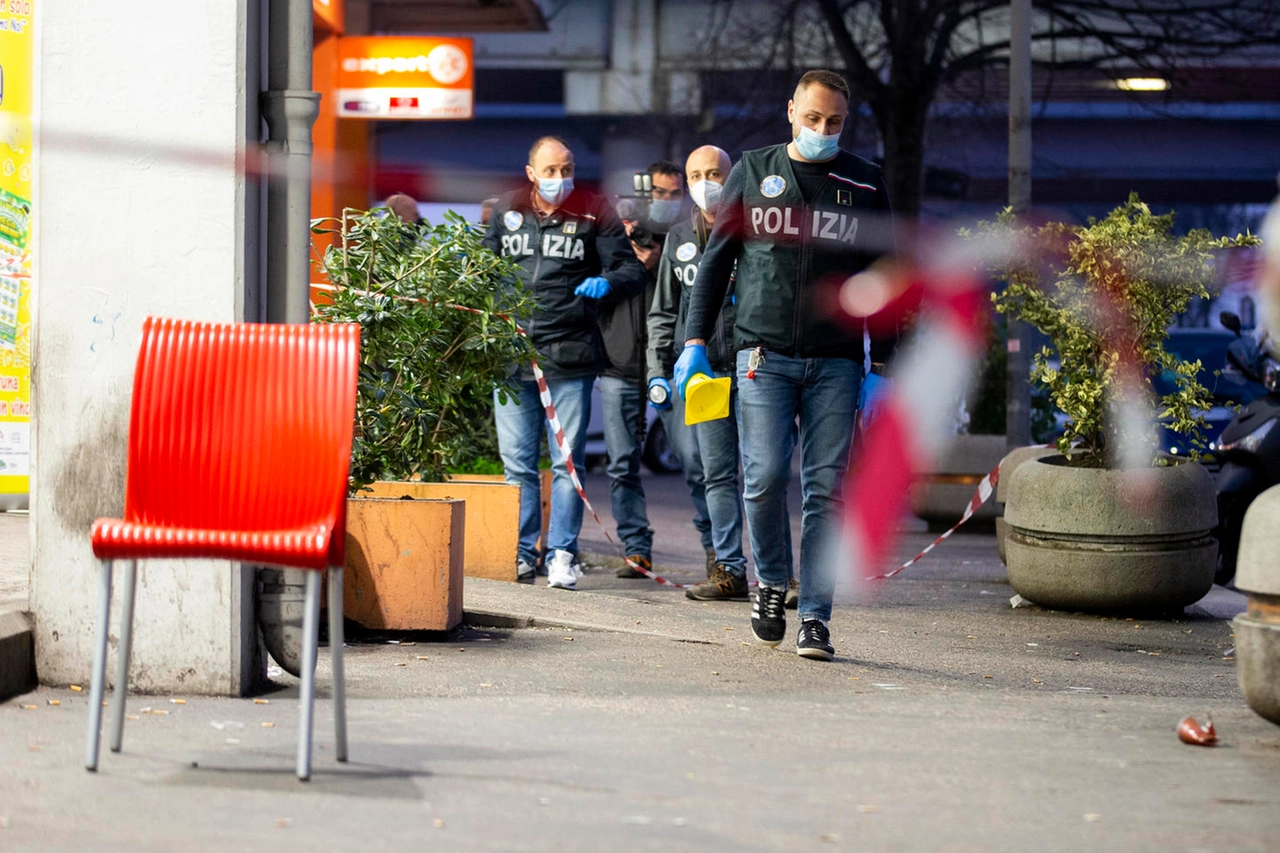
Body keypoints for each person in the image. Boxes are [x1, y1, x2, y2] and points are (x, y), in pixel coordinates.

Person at [677, 70, 897, 661]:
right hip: (762, 357)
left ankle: (817, 617)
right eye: (813, 118)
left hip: (836, 361)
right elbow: (717, 264)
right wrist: (695, 341)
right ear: (791, 111)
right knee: (764, 477)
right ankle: (771, 583)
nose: (823, 130)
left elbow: (888, 278)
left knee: (825, 492)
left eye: (834, 122)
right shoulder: (751, 171)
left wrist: (888, 368)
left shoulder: (865, 181)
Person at [482, 136, 647, 590]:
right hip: (512, 355)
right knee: (516, 465)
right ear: (531, 172)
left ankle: (561, 555)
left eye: (567, 169)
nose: (561, 179)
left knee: (567, 463)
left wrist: (604, 282)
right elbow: (483, 267)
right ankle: (521, 554)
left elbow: (632, 271)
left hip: (570, 354)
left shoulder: (596, 210)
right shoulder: (507, 210)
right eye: (551, 171)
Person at [646, 145, 750, 599]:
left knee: (766, 475)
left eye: (715, 174)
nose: (705, 183)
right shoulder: (678, 239)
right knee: (713, 473)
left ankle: (778, 570)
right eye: (696, 175)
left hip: (752, 368)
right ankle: (727, 566)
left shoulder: (758, 231)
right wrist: (658, 370)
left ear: (734, 178)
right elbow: (663, 311)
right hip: (703, 373)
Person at [600, 160, 712, 580]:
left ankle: (716, 552)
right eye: (658, 194)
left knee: (696, 461)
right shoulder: (617, 235)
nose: (665, 201)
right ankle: (636, 548)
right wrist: (624, 258)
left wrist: (660, 257)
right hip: (620, 361)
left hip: (673, 366)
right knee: (621, 462)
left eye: (672, 193)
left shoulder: (692, 237)